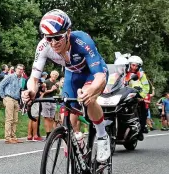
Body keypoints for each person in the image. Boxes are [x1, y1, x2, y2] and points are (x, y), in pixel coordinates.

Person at [22, 9, 110, 165]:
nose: (54, 43)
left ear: (68, 32)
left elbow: (100, 77)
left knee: (88, 99)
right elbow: (34, 79)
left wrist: (90, 91)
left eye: (57, 37)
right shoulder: (44, 46)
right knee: (65, 120)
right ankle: (75, 168)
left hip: (92, 72)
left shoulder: (82, 40)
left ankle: (103, 136)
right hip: (72, 75)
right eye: (49, 38)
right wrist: (30, 91)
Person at [0, 64, 25, 144]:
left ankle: (13, 137)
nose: (20, 70)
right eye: (19, 69)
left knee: (15, 120)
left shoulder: (22, 79)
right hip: (9, 98)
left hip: (16, 100)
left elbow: (21, 91)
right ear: (16, 69)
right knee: (9, 119)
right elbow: (0, 85)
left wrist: (21, 101)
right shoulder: (9, 76)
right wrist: (3, 97)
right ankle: (7, 137)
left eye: (22, 69)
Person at [126, 55, 150, 138]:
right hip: (124, 95)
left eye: (137, 66)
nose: (135, 67)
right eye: (133, 65)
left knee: (143, 111)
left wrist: (141, 97)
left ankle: (141, 130)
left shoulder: (141, 74)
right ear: (129, 64)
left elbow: (146, 87)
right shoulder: (123, 72)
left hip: (137, 95)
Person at [42, 70, 60, 139]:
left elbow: (58, 92)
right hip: (46, 100)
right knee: (46, 117)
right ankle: (48, 133)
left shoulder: (56, 82)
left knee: (52, 118)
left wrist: (57, 87)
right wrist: (51, 90)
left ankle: (51, 133)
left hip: (53, 101)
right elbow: (43, 92)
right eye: (53, 75)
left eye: (56, 75)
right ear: (50, 75)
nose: (54, 76)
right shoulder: (46, 82)